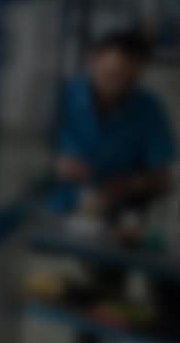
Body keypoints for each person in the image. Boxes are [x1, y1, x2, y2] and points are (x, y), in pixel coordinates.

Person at [50, 31, 174, 217]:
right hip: (56, 208)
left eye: (128, 80)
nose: (117, 86)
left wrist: (128, 185)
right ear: (94, 62)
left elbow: (163, 178)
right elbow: (24, 155)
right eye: (110, 75)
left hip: (117, 216)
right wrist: (54, 164)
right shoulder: (63, 97)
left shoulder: (148, 110)